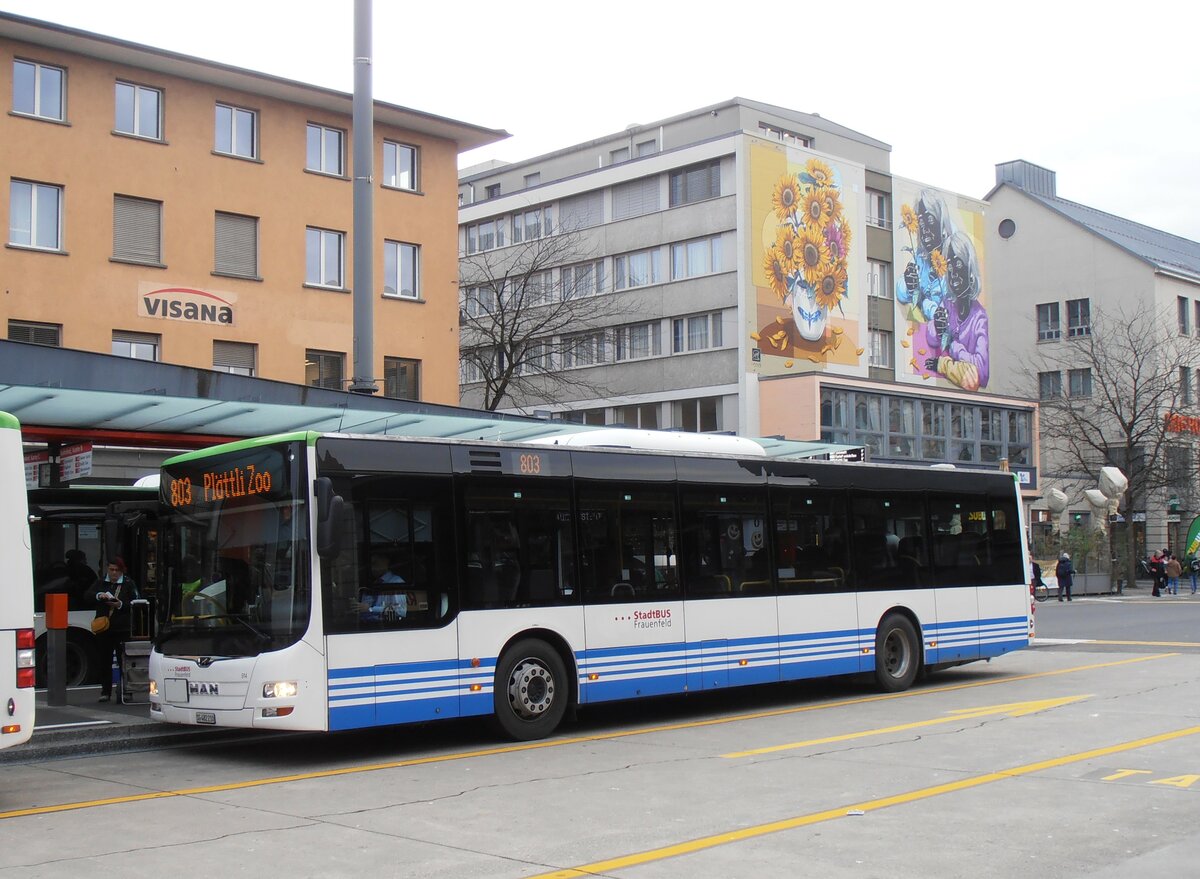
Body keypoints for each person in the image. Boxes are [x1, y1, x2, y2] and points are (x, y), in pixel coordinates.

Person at [93, 557, 140, 702]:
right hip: (104, 628)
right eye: (111, 570)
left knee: (124, 661)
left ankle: (126, 691)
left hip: (122, 629)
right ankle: (105, 691)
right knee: (104, 660)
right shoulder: (101, 582)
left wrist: (120, 605)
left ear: (122, 571)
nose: (113, 573)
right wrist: (99, 595)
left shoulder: (128, 583)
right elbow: (86, 595)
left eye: (116, 570)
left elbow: (136, 603)